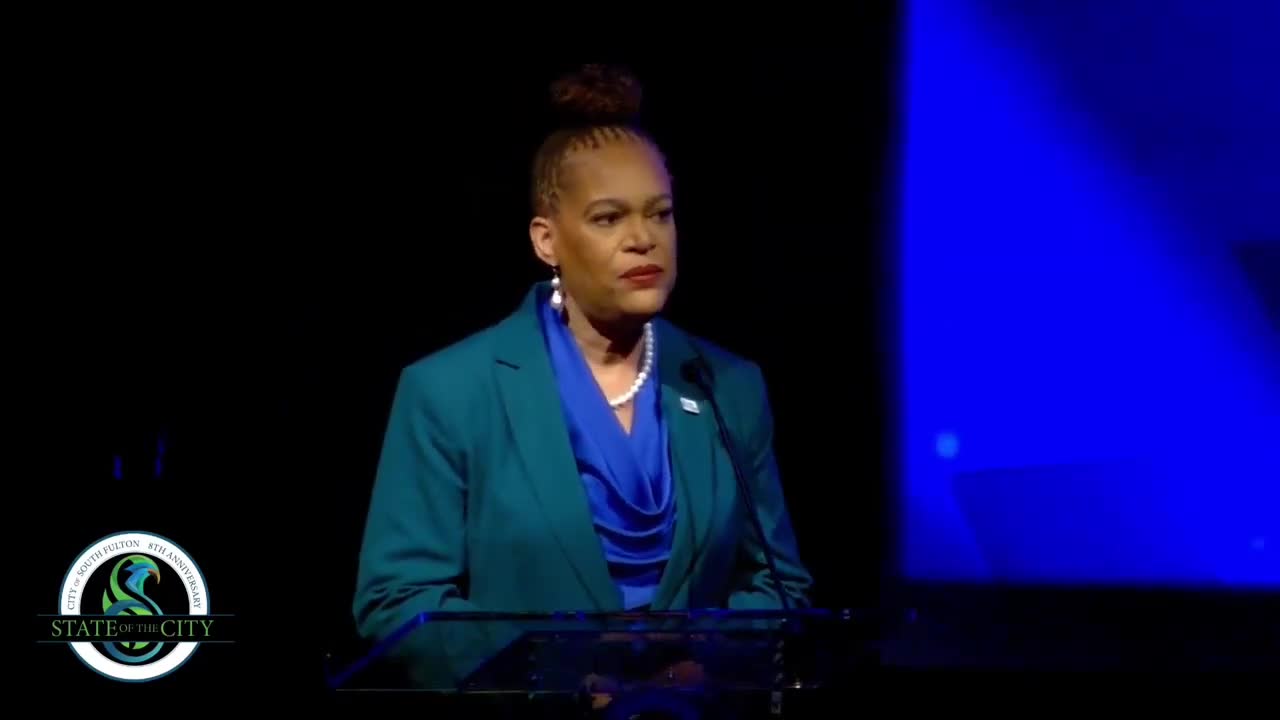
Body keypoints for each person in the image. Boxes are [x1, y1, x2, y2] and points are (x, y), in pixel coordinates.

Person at [351, 64, 812, 690]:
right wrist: (561, 679)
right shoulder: (450, 392)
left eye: (660, 214)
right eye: (607, 218)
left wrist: (705, 664)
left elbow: (779, 587)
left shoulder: (729, 386)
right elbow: (398, 599)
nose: (643, 239)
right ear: (547, 240)